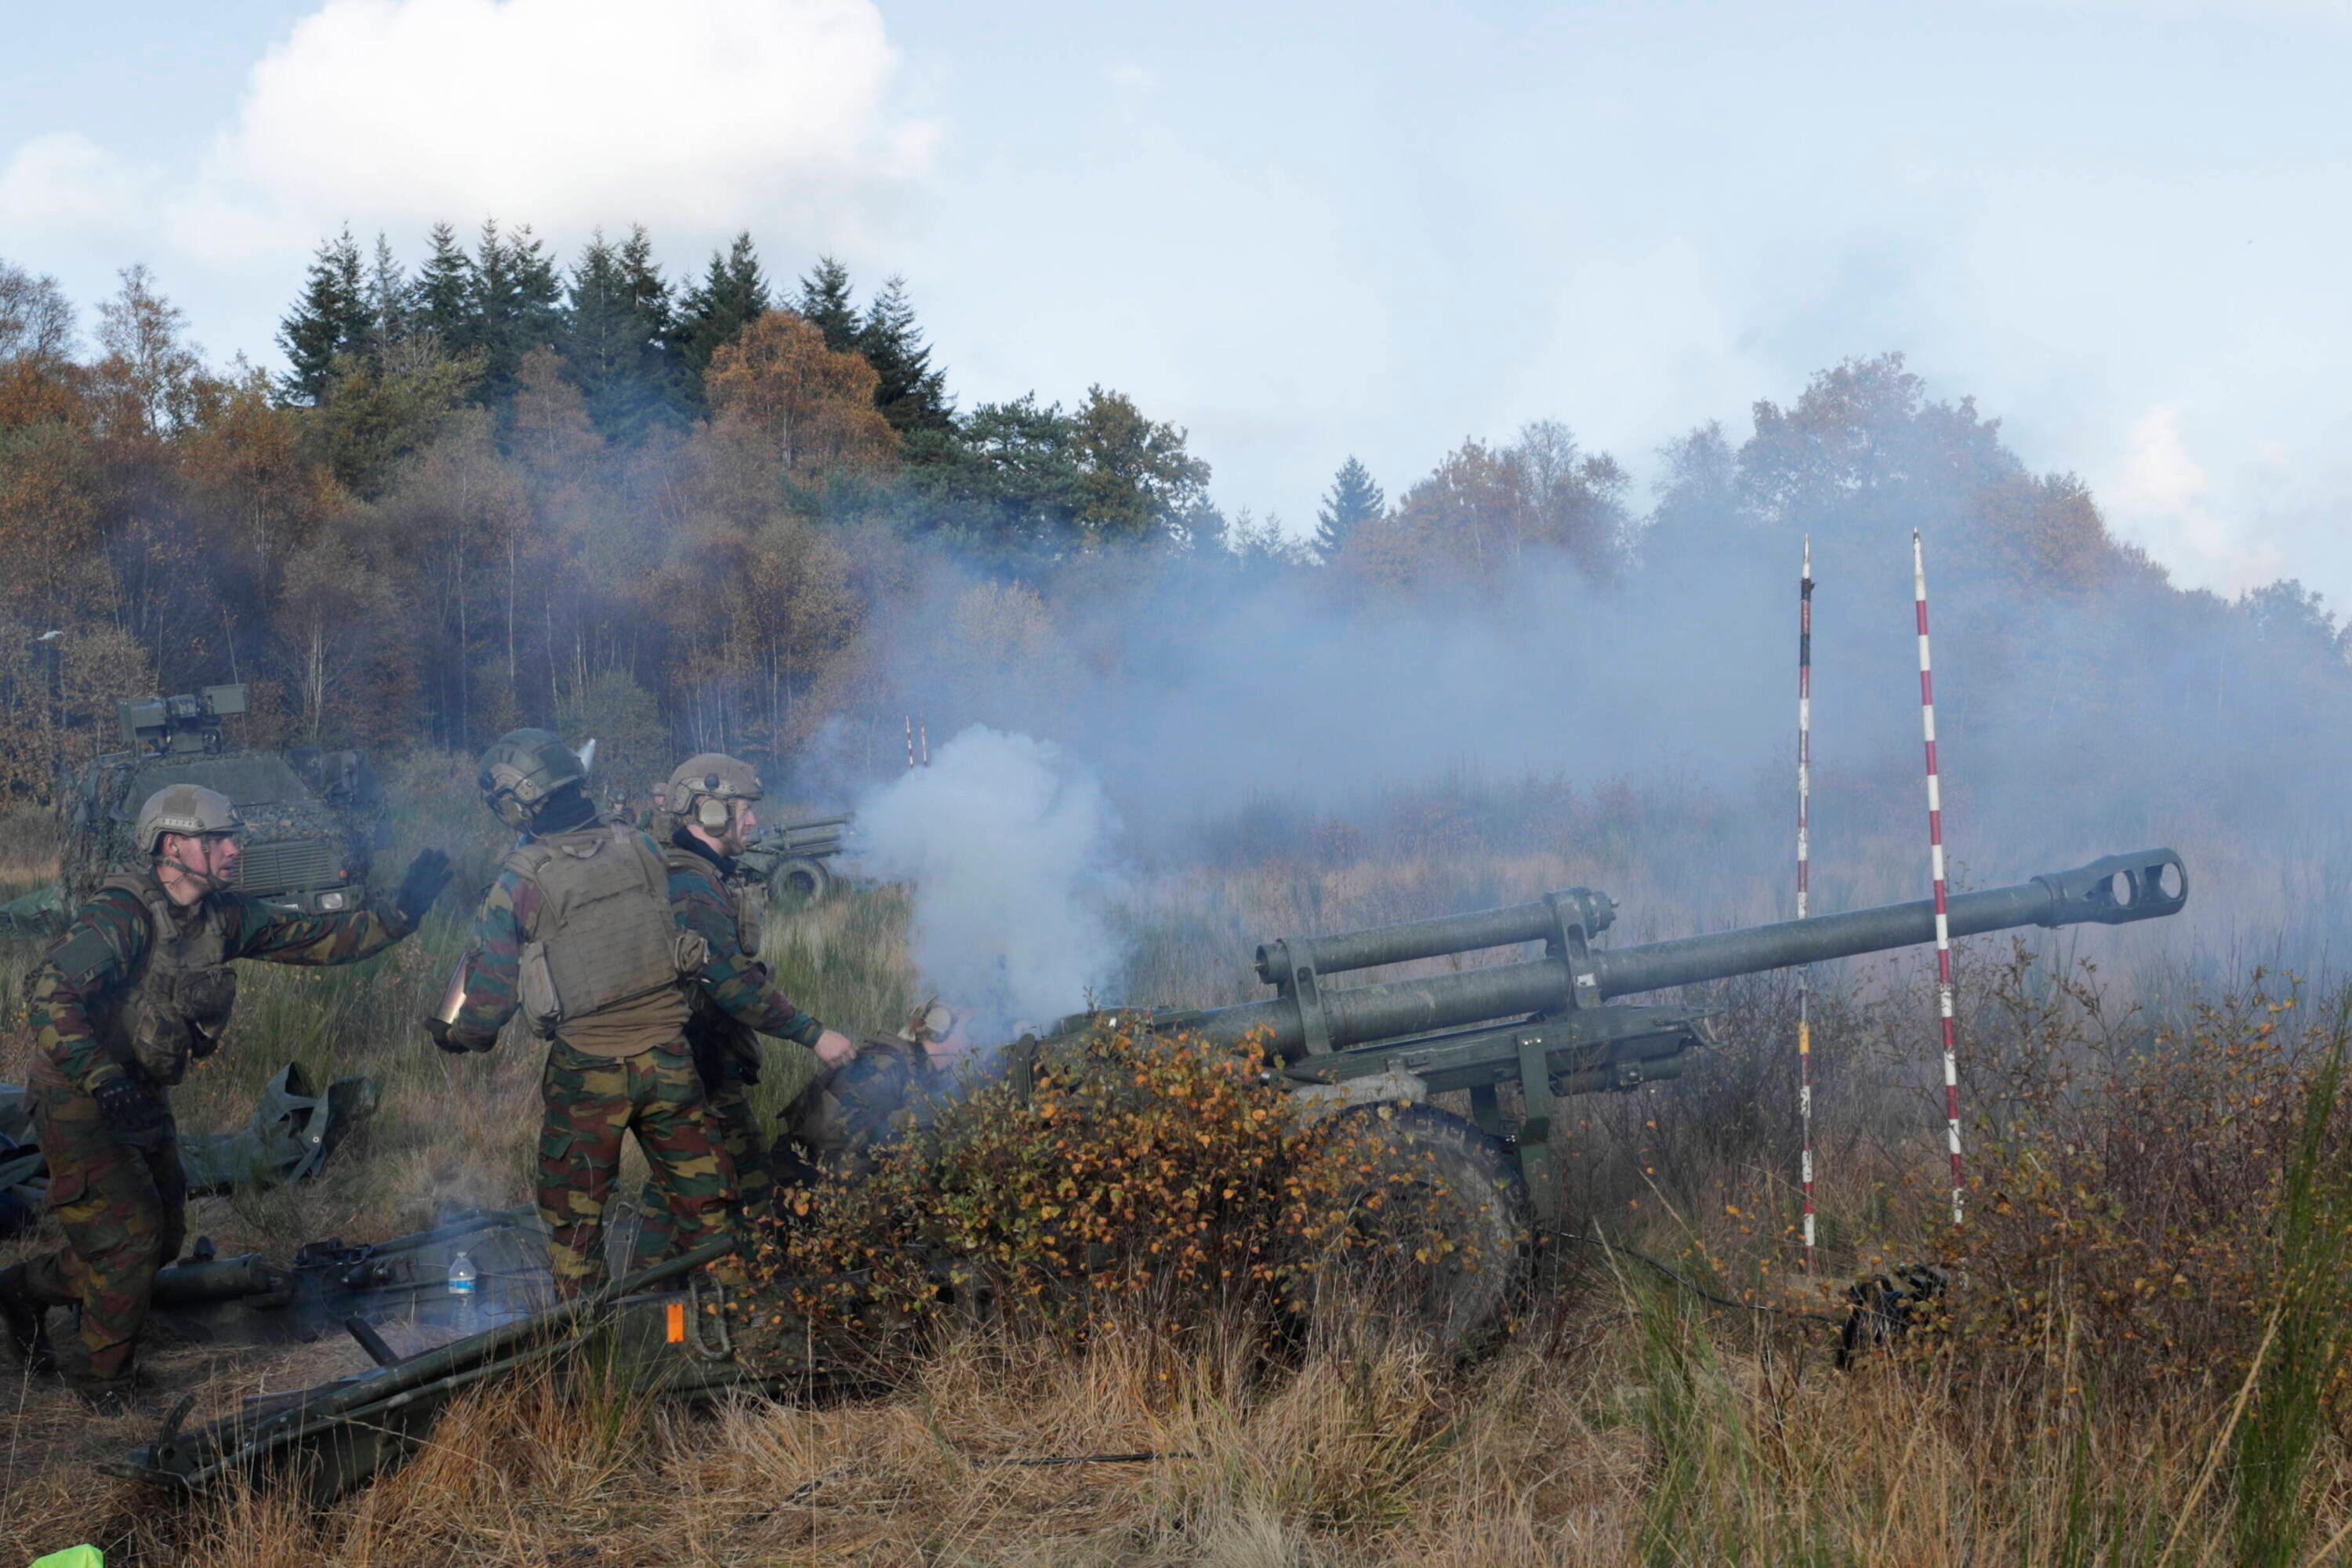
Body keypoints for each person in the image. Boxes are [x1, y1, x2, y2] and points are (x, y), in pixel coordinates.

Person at [0, 784, 448, 1404]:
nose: (236, 849)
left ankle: (21, 1288)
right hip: (78, 1093)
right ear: (174, 844)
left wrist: (402, 914)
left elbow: (317, 938)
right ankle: (105, 1386)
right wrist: (101, 1079)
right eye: (221, 839)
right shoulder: (123, 914)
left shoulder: (224, 917)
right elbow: (49, 994)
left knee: (161, 1241)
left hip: (139, 1091)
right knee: (128, 1238)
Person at [425, 729, 738, 1297]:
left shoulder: (519, 881)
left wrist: (460, 1037)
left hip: (588, 1070)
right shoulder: (640, 847)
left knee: (576, 1224)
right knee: (708, 1211)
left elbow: (490, 997)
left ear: (515, 804)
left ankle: (590, 1356)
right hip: (671, 1058)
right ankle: (733, 1335)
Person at [629, 753, 858, 1267]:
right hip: (692, 1074)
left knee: (697, 1185)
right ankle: (707, 1306)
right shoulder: (691, 886)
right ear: (709, 813)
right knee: (720, 1190)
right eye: (742, 809)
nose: (752, 820)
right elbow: (731, 985)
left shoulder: (699, 874)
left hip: (701, 1071)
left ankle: (677, 1296)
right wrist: (815, 1035)